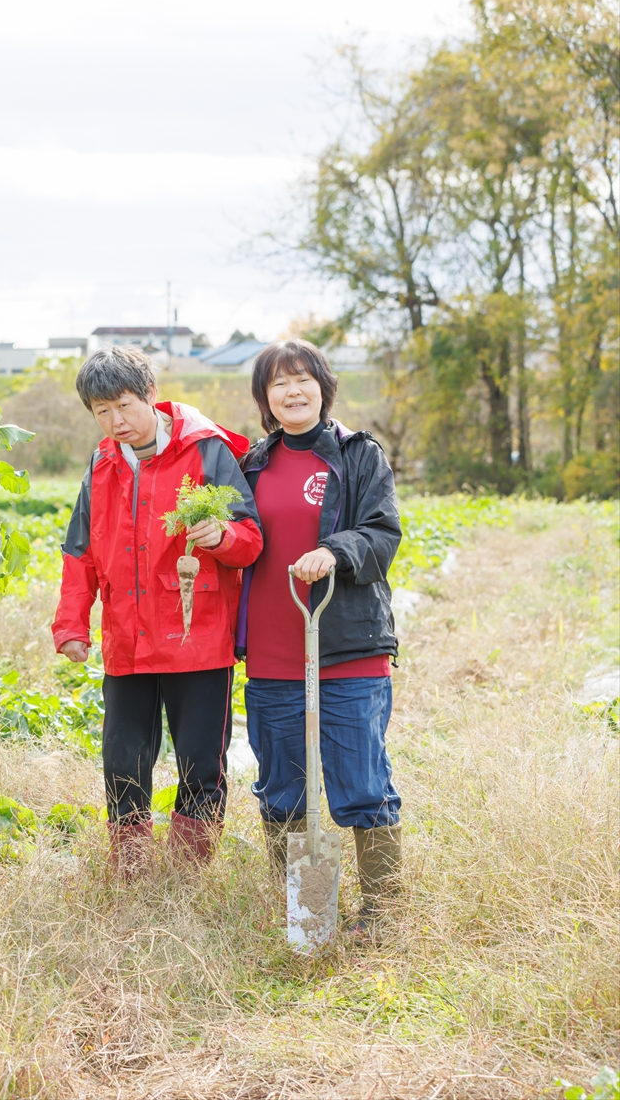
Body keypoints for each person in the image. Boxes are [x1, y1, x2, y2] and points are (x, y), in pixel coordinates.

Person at [52, 346, 263, 874]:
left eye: (124, 406)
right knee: (123, 763)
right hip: (127, 641)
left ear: (151, 395)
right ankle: (134, 873)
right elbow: (80, 553)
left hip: (198, 639)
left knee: (199, 766)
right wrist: (71, 624)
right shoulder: (101, 465)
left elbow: (251, 539)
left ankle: (189, 878)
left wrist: (221, 535)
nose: (115, 422)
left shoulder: (206, 450)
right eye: (102, 412)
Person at [237, 339, 403, 931]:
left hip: (347, 648)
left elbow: (383, 535)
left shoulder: (359, 455)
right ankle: (305, 912)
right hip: (274, 651)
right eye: (279, 384)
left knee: (360, 781)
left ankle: (383, 915)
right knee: (281, 785)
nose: (292, 391)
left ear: (323, 387)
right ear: (265, 398)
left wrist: (335, 551)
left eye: (303, 379)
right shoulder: (252, 464)